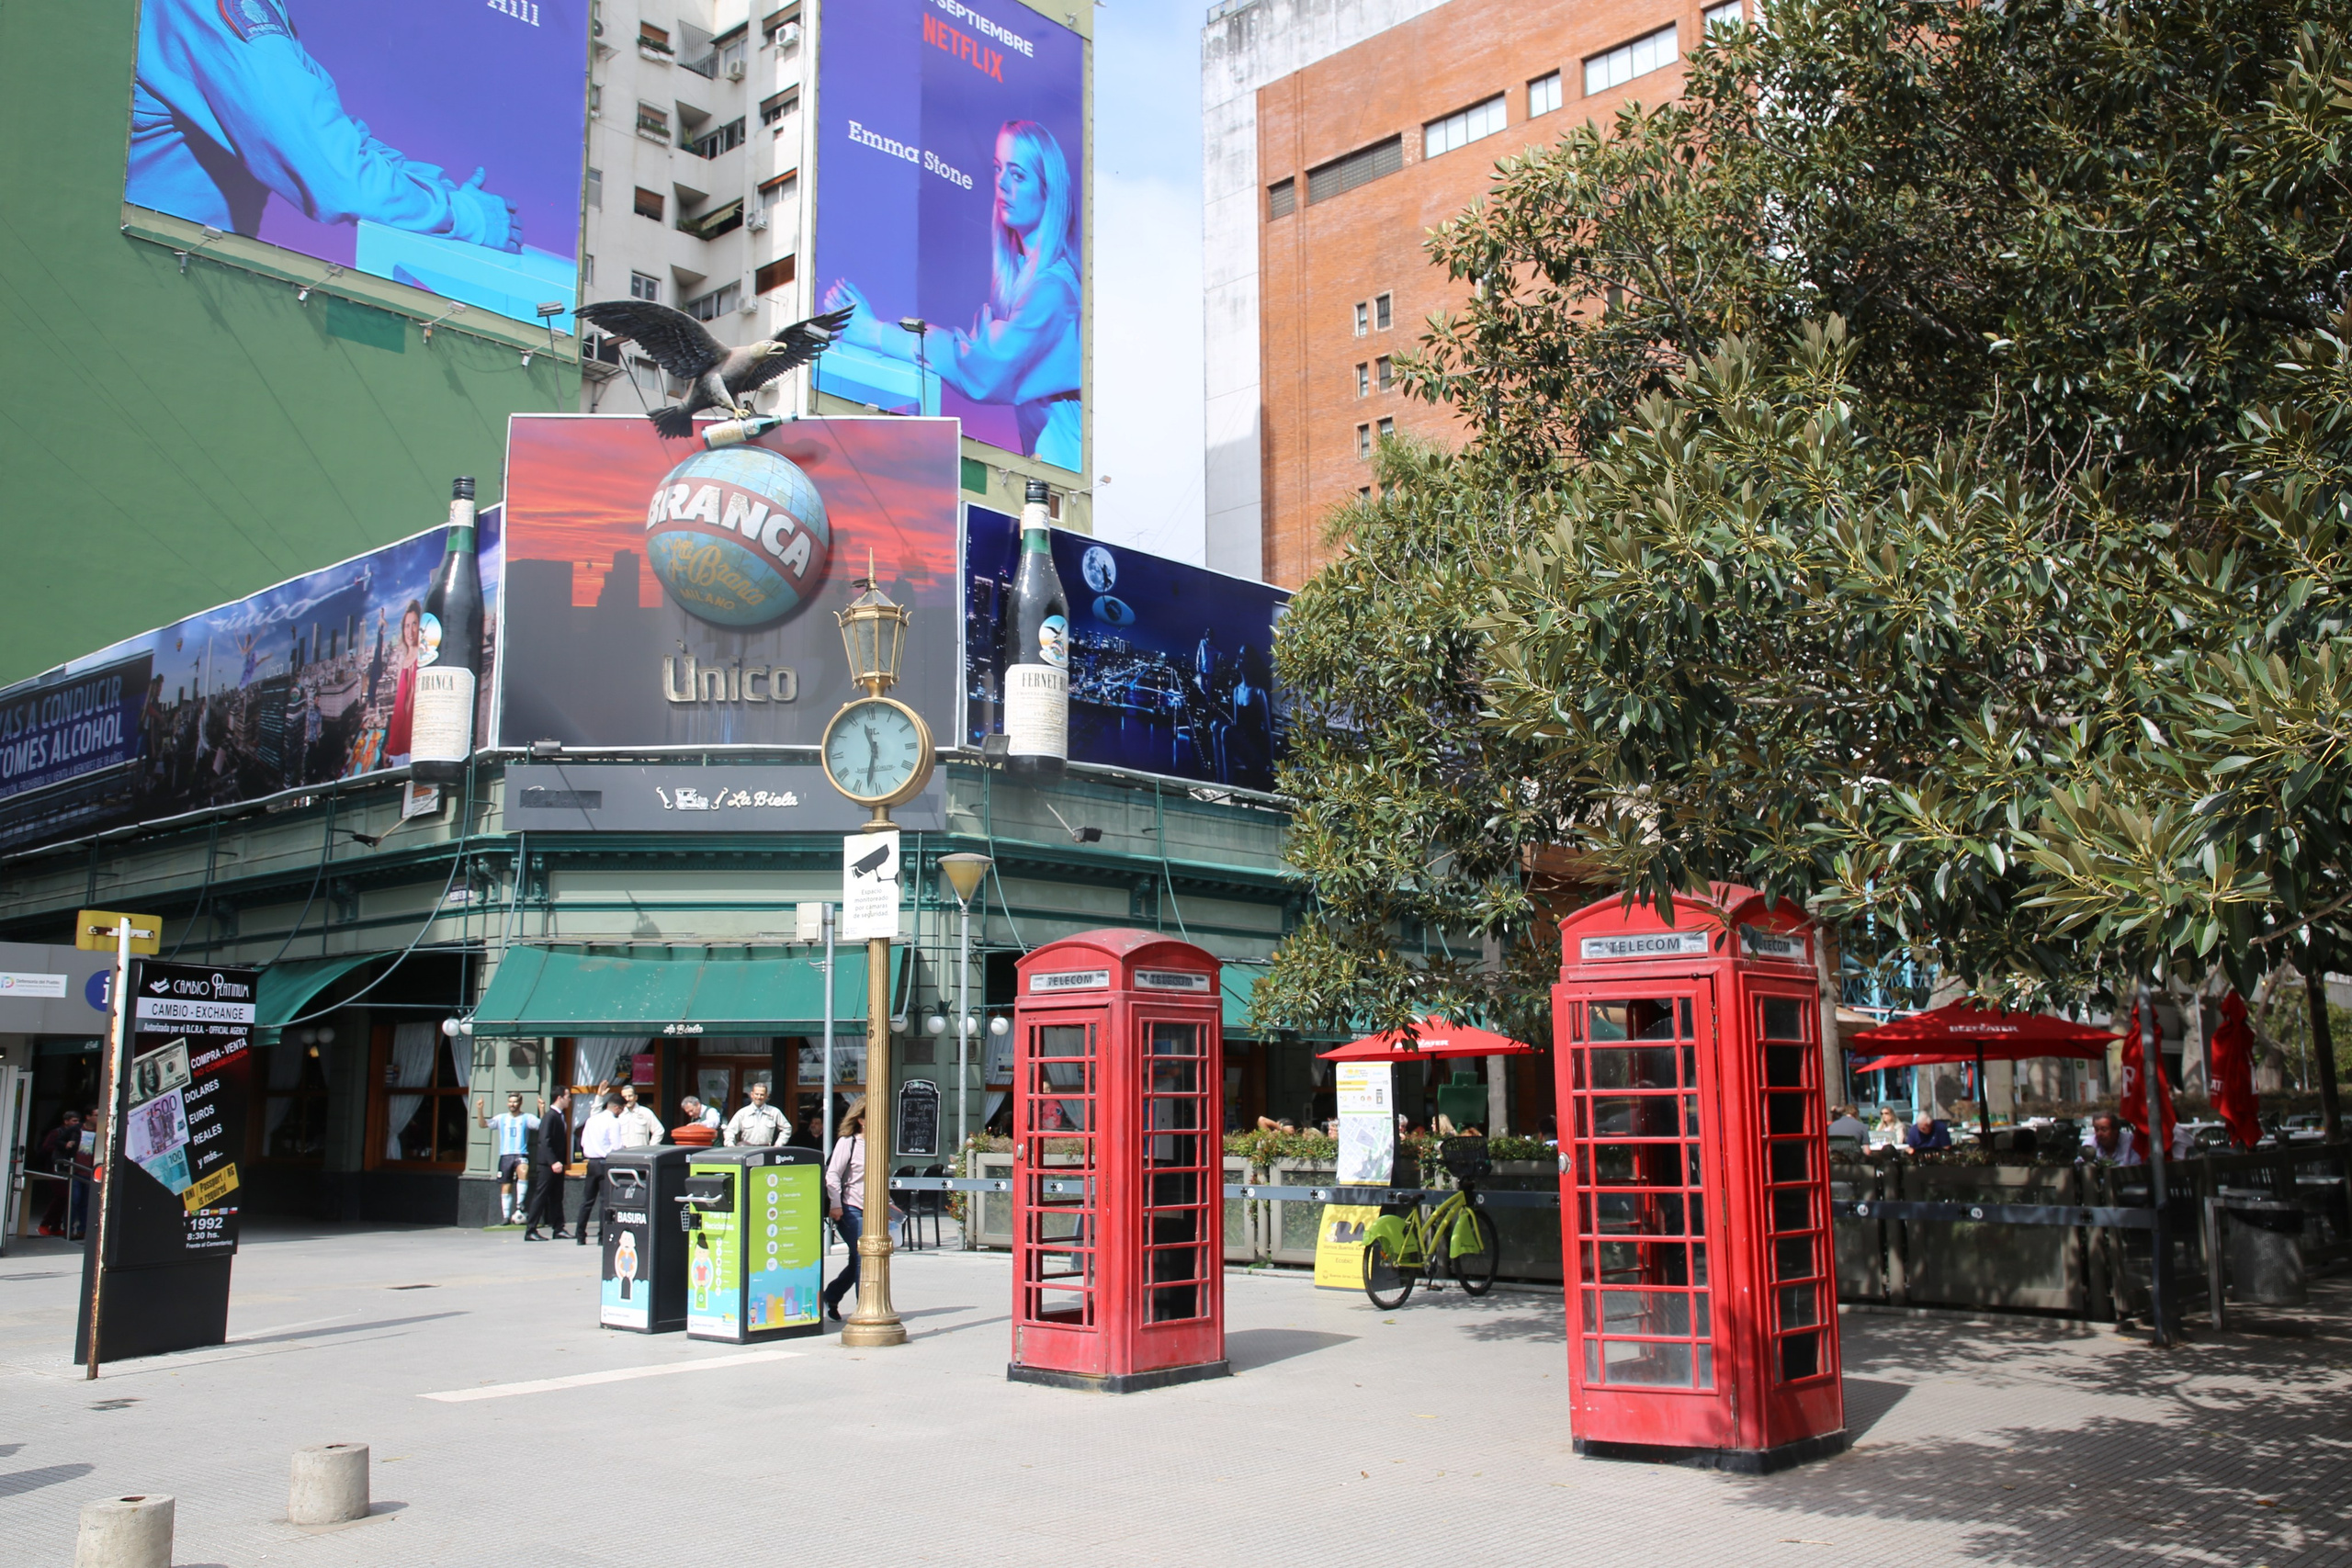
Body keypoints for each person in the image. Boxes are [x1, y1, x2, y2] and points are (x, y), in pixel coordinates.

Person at [126, 0, 520, 249]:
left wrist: (450, 196)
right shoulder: (217, 8)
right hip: (145, 284)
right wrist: (464, 216)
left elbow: (341, 139)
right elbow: (340, 179)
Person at [824, 120, 1080, 467]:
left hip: (1067, 485)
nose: (1002, 184)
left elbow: (981, 366)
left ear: (1051, 192)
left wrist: (875, 333)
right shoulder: (1025, 285)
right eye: (997, 169)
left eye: (1018, 175)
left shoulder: (1054, 293)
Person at [820, 1100, 869, 1323]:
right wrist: (836, 1204)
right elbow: (832, 1175)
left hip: (872, 1210)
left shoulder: (878, 1144)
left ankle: (831, 1295)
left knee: (856, 1258)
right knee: (864, 1254)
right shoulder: (848, 1143)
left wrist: (888, 1203)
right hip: (850, 1208)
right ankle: (866, 1307)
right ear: (861, 1119)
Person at [476, 1091, 540, 1224]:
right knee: (506, 1186)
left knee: (524, 1171)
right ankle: (506, 1216)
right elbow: (483, 1124)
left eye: (515, 1102)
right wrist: (480, 1109)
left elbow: (542, 1125)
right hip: (505, 1155)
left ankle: (519, 1204)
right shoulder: (501, 1118)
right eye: (510, 1101)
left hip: (521, 1153)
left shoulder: (526, 1118)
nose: (512, 1104)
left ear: (520, 1103)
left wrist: (542, 1109)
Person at [575, 1090, 624, 1246]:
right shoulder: (613, 1122)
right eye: (621, 1110)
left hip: (591, 1162)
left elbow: (583, 1142)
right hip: (606, 1162)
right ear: (617, 1108)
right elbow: (616, 1147)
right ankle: (603, 1236)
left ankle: (580, 1234)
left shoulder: (591, 1120)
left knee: (587, 1200)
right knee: (605, 1201)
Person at [523, 1094, 572, 1240]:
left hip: (557, 1163)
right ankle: (530, 1229)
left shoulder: (559, 1115)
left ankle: (558, 1228)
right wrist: (553, 1162)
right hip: (547, 1165)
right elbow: (544, 1141)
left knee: (557, 1196)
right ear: (559, 1098)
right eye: (567, 1096)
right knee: (541, 1194)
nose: (569, 1100)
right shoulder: (550, 1116)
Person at [383, 601, 423, 763]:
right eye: (407, 626)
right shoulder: (402, 663)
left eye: (414, 624)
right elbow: (398, 707)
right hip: (400, 739)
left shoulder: (424, 657)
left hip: (418, 737)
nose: (410, 631)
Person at [36, 1110, 82, 1235]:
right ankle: (45, 1224)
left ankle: (56, 1226)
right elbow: (46, 1147)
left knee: (66, 1197)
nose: (76, 1123)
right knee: (61, 1195)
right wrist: (63, 1146)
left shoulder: (76, 1133)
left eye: (78, 1121)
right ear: (66, 1121)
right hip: (55, 1168)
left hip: (69, 1168)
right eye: (74, 1121)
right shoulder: (56, 1133)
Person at [723, 1080, 790, 1147]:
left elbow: (787, 1128)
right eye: (757, 1094)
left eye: (762, 1095)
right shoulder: (743, 1113)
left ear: (767, 1096)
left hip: (766, 1150)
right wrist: (730, 1145)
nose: (759, 1097)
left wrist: (779, 1144)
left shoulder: (774, 1112)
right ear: (752, 1095)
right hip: (747, 1150)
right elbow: (729, 1131)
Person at [2079, 1111, 2144, 1167]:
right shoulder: (2089, 1145)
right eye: (2097, 1130)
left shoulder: (2131, 1142)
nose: (2099, 1134)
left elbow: (2138, 1167)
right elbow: (2079, 1164)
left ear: (2115, 1130)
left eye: (2104, 1130)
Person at [614, 1083, 664, 1149]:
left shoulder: (645, 1112)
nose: (627, 1099)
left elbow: (659, 1130)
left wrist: (651, 1148)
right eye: (624, 1097)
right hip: (623, 1153)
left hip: (641, 1154)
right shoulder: (618, 1113)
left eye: (630, 1096)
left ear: (636, 1097)